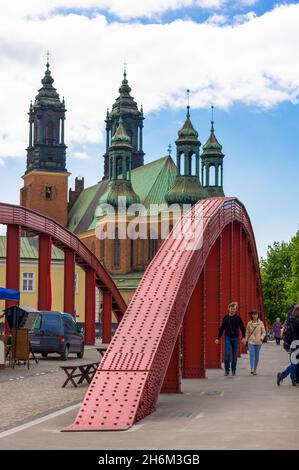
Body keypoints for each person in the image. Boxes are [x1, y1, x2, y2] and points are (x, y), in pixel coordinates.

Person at [215, 302, 246, 376]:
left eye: (234, 309)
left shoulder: (238, 318)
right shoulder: (226, 318)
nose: (233, 310)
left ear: (236, 310)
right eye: (231, 308)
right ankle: (226, 370)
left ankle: (233, 370)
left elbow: (242, 328)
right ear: (228, 308)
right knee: (227, 354)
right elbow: (222, 328)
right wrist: (218, 338)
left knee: (234, 355)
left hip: (235, 338)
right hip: (227, 338)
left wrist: (244, 337)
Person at [277, 305, 299, 387]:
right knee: (294, 363)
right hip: (297, 342)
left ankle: (282, 375)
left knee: (294, 362)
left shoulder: (291, 320)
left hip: (293, 342)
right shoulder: (297, 321)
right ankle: (292, 378)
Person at [245, 310, 266, 375]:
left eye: (256, 314)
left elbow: (264, 332)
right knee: (252, 354)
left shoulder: (261, 323)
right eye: (253, 314)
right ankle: (252, 368)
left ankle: (255, 369)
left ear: (257, 315)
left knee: (256, 356)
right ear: (251, 315)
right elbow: (247, 332)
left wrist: (262, 338)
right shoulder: (249, 323)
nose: (254, 315)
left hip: (258, 341)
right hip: (250, 341)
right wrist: (246, 340)